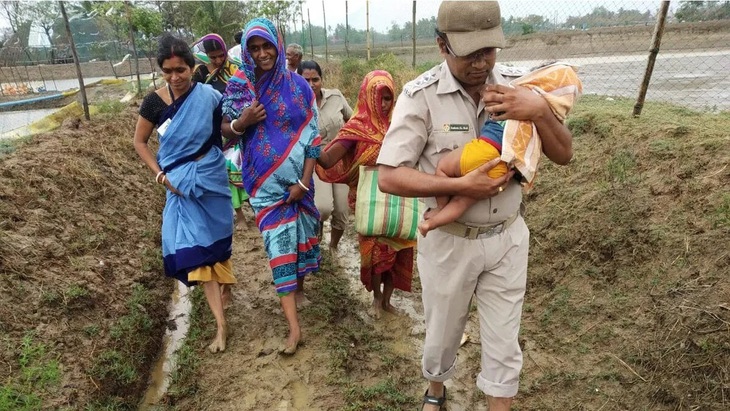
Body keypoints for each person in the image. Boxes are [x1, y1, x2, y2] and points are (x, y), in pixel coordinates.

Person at [376, 1, 574, 410]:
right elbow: (389, 175)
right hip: (451, 243)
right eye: (471, 52)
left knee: (504, 341)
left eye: (490, 50)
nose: (483, 63)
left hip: (508, 238)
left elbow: (564, 153)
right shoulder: (420, 97)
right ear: (442, 45)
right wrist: (462, 183)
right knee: (442, 335)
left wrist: (539, 112)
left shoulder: (523, 89)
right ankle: (435, 389)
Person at [221, 18, 320, 355]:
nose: (262, 54)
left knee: (303, 244)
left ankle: (300, 285)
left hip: (299, 185)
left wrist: (304, 184)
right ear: (247, 51)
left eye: (267, 47)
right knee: (279, 250)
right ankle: (294, 329)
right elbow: (224, 130)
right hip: (263, 187)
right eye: (254, 48)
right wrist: (242, 121)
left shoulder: (299, 86)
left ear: (278, 46)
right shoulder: (239, 86)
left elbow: (313, 137)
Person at [133, 34, 235, 354]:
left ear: (193, 67)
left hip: (212, 179)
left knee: (218, 240)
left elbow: (224, 133)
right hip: (180, 186)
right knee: (198, 254)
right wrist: (161, 175)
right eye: (167, 70)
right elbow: (139, 142)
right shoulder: (153, 102)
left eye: (180, 69)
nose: (175, 77)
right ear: (161, 70)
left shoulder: (208, 95)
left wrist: (243, 125)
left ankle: (225, 285)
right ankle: (221, 326)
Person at [418, 62, 582, 238]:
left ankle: (439, 211)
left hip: (487, 149)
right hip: (503, 167)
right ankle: (432, 223)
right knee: (462, 202)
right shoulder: (546, 111)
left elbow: (564, 154)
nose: (480, 61)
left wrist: (485, 91)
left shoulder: (516, 91)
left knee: (443, 167)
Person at [316, 70, 415, 319]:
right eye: (377, 98)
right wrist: (308, 143)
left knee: (399, 251)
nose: (383, 104)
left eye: (388, 98)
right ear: (366, 96)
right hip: (368, 201)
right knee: (375, 253)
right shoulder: (356, 128)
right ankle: (376, 299)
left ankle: (389, 300)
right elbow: (329, 159)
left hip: (398, 199)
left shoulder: (401, 126)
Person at [191, 33, 251, 230]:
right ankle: (239, 214)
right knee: (226, 170)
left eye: (220, 55)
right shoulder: (199, 74)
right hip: (214, 128)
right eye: (213, 56)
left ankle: (256, 205)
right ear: (207, 55)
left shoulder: (236, 69)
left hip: (241, 123)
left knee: (245, 166)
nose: (217, 60)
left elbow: (247, 92)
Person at [297, 60, 353, 250]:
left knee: (342, 210)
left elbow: (353, 121)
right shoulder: (296, 104)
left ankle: (333, 247)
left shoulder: (336, 97)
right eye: (306, 80)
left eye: (316, 79)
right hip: (314, 160)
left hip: (340, 158)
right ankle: (317, 230)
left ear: (322, 79)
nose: (312, 84)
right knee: (323, 208)